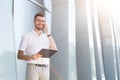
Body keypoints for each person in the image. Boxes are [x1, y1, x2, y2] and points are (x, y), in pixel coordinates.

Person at [17, 13, 57, 80]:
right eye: (38, 20)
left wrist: (48, 33)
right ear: (34, 21)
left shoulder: (46, 37)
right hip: (33, 68)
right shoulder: (27, 36)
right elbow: (19, 55)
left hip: (46, 69)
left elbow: (54, 49)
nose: (41, 23)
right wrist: (31, 57)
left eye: (43, 21)